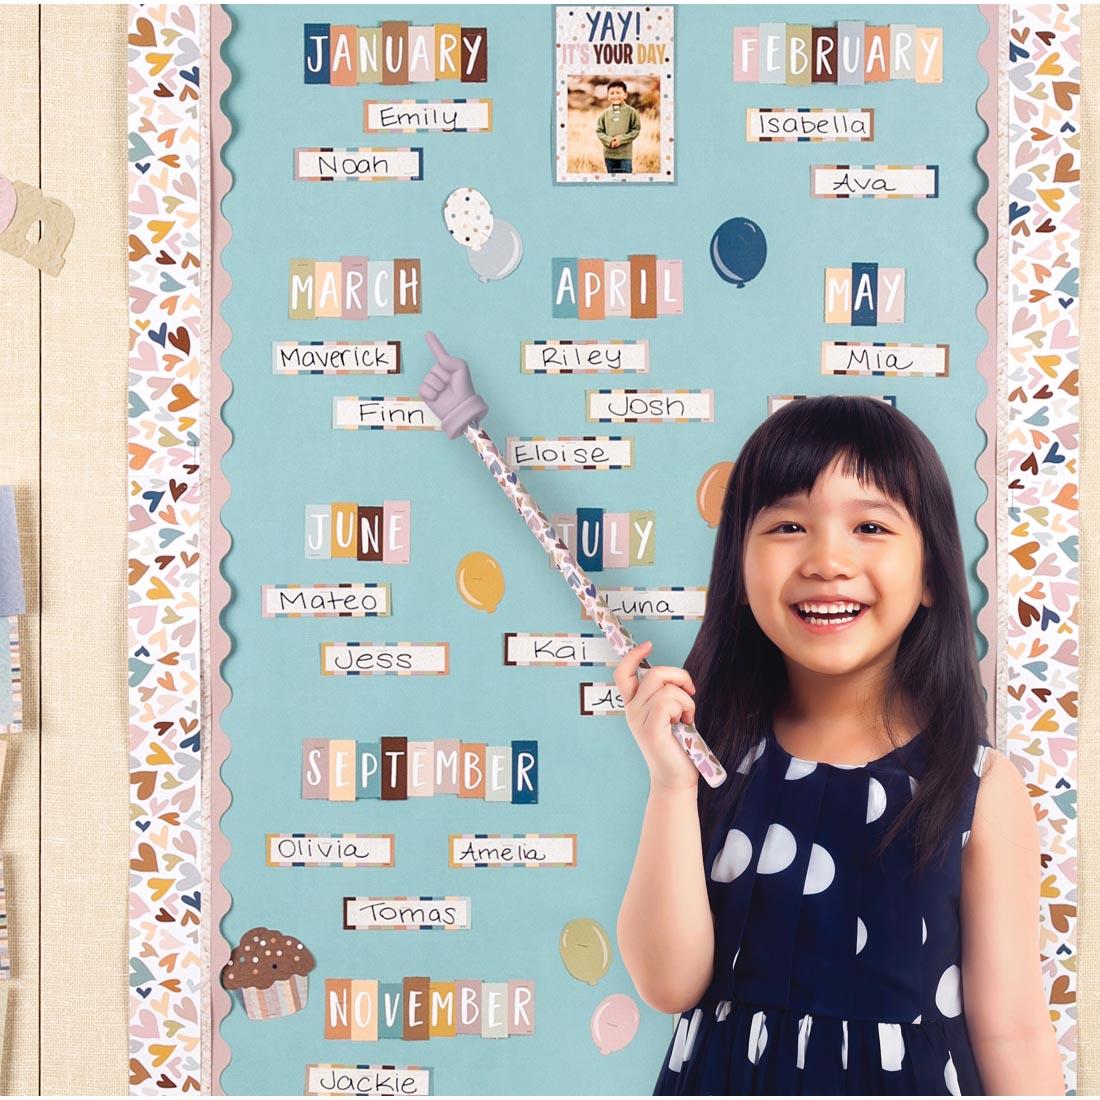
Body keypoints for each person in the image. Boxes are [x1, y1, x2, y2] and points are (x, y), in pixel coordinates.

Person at [615, 396, 1066, 1095]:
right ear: (738, 570)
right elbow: (670, 985)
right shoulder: (709, 763)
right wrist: (670, 786)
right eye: (789, 525)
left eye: (870, 526)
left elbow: (1013, 1029)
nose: (828, 560)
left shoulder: (977, 786)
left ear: (929, 577)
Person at [595, 79, 640, 175]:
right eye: (611, 93)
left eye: (618, 93)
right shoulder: (604, 114)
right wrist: (609, 140)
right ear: (608, 96)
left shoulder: (632, 112)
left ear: (625, 95)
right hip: (609, 155)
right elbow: (599, 131)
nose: (615, 96)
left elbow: (636, 130)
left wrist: (621, 139)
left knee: (625, 180)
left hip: (625, 155)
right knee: (612, 180)